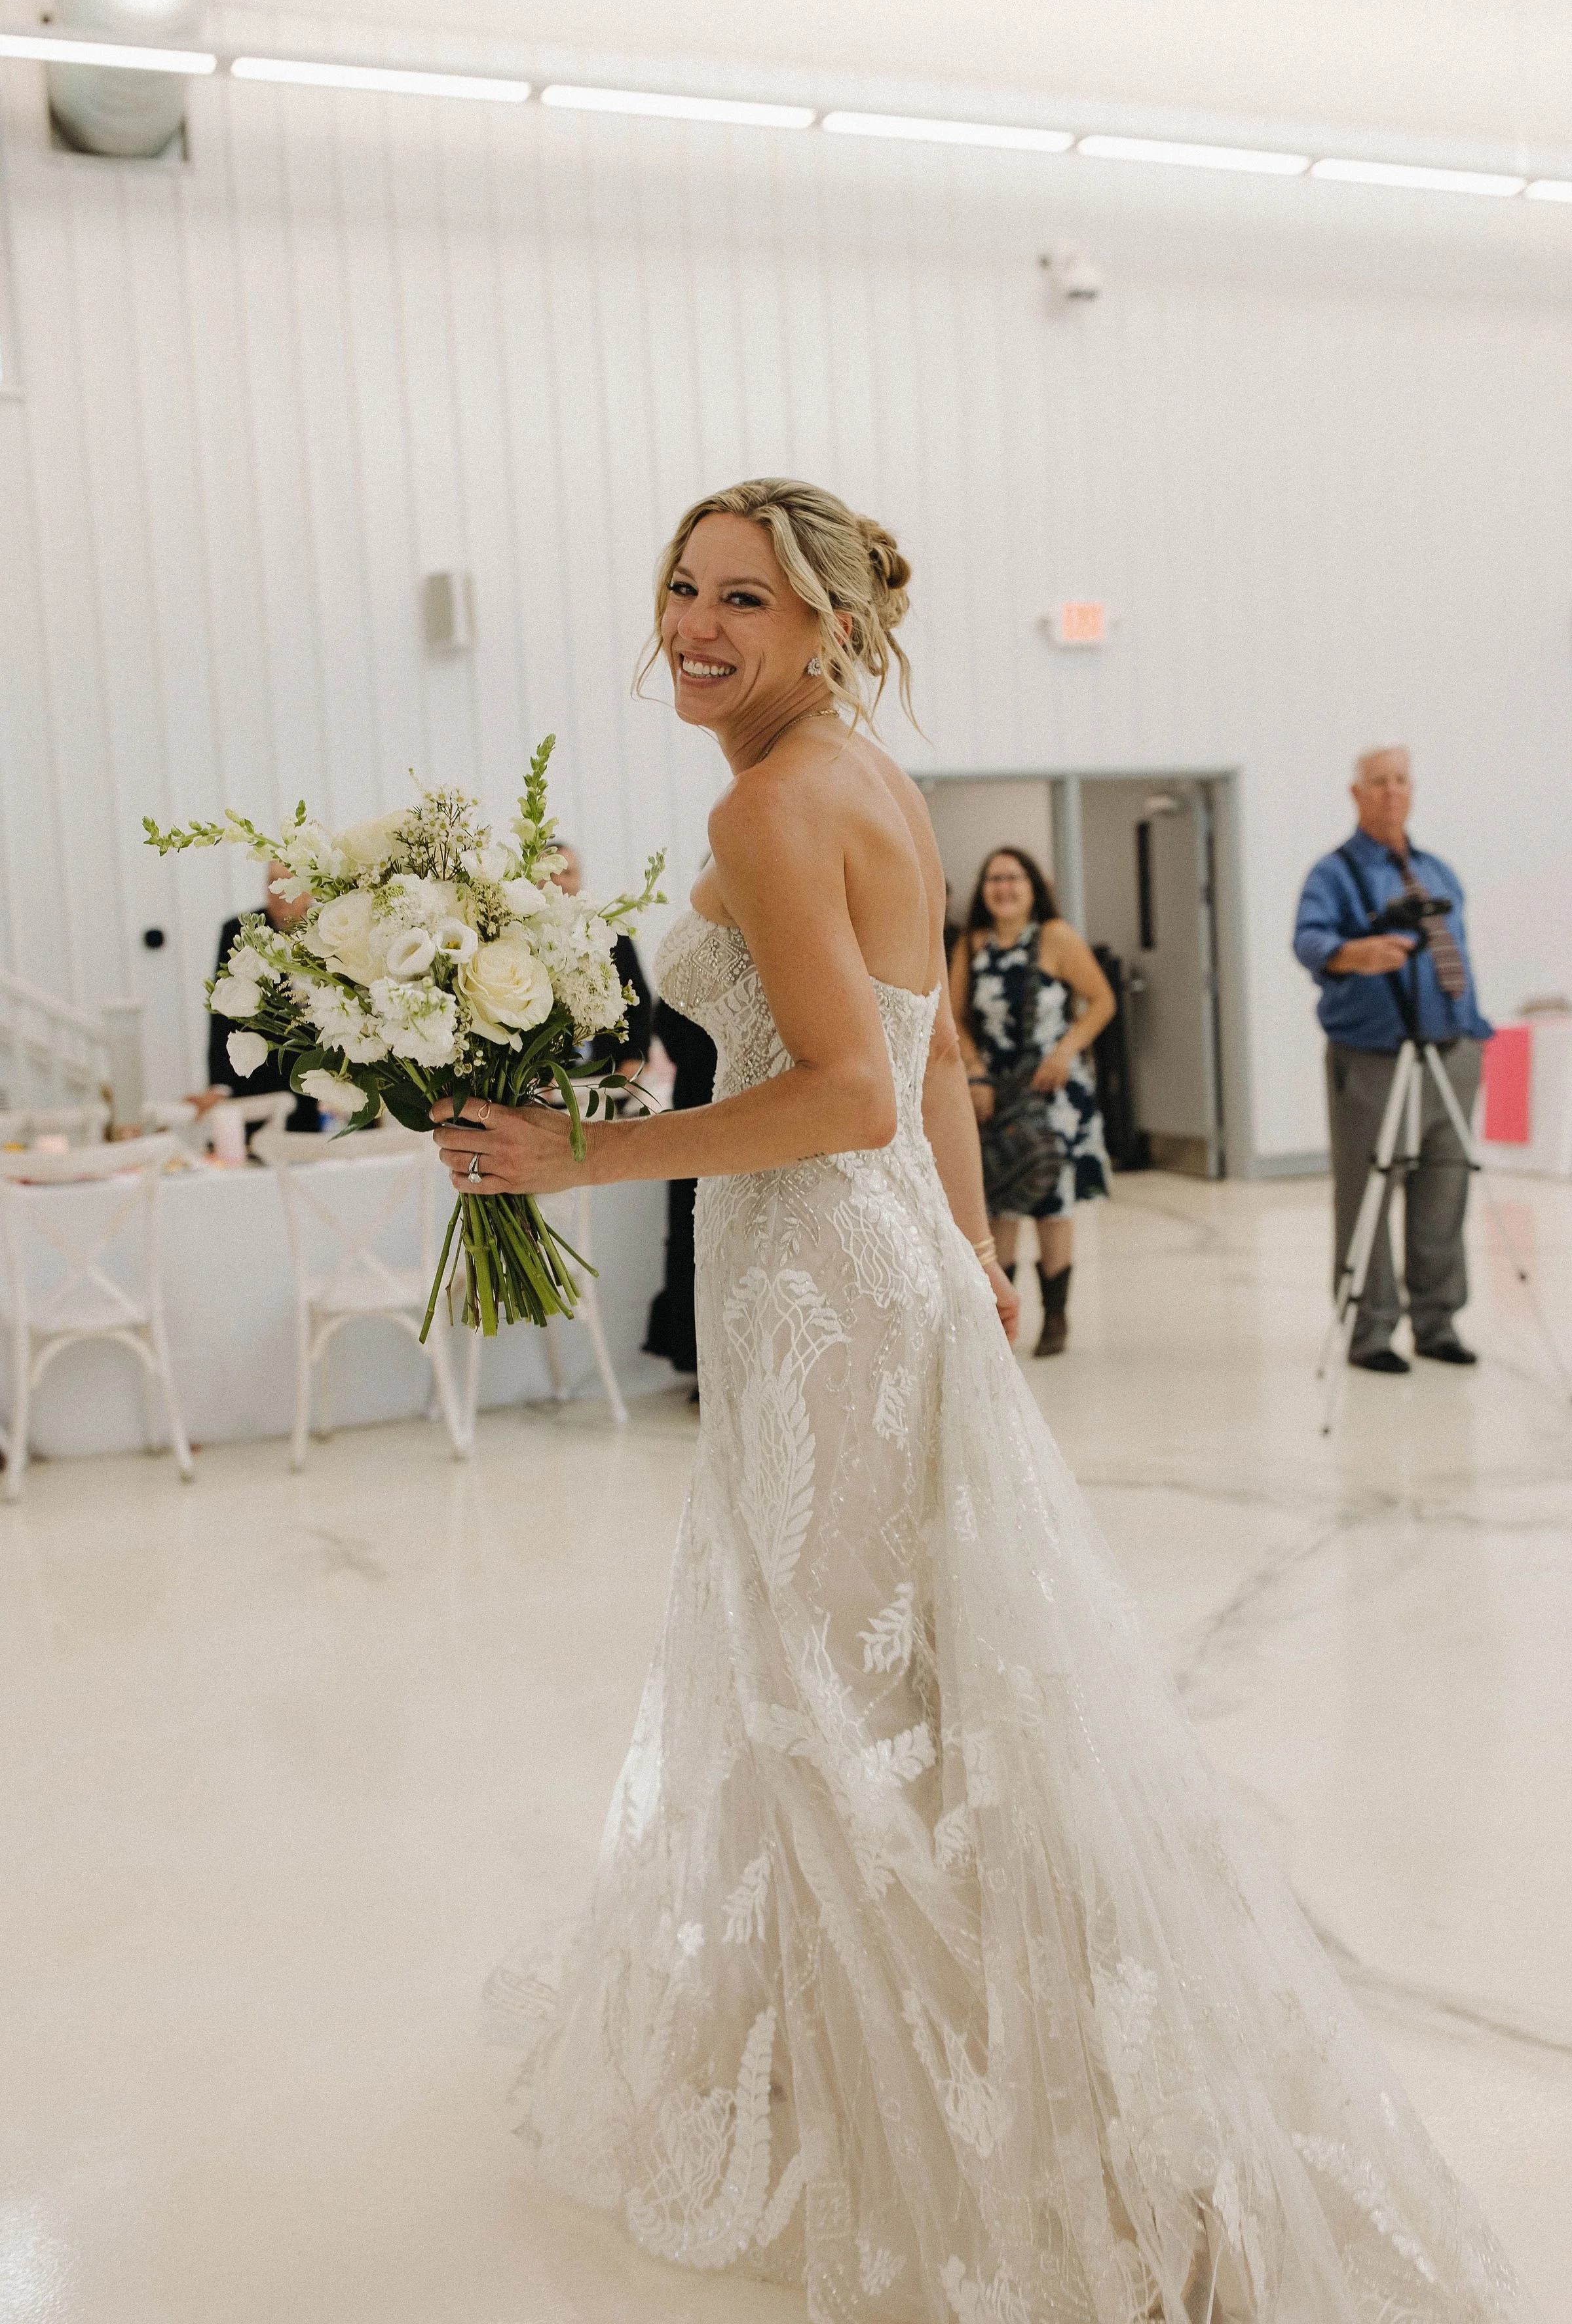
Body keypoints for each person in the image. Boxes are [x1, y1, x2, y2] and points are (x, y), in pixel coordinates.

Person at [438, 484, 1527, 2319]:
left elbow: (851, 1087)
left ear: (831, 626)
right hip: (884, 1277)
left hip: (810, 1268)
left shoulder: (769, 802)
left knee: (837, 1695)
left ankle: (958, 2092)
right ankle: (920, 2030)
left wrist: (577, 1158)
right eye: (682, 589)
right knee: (911, 1685)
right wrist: (971, 1250)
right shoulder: (869, 776)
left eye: (746, 600)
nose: (697, 625)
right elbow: (927, 1052)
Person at [1294, 747, 1491, 1374]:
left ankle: (1438, 1321)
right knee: (1368, 1192)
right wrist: (1355, 954)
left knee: (1445, 1187)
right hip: (1373, 1058)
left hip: (1451, 1052)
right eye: (1378, 782)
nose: (1390, 792)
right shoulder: (1335, 873)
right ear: (1356, 794)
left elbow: (1458, 951)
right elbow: (1309, 941)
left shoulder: (1439, 870)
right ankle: (1370, 1330)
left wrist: (1476, 1030)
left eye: (1401, 781)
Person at [953, 845, 1114, 1356]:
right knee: (1000, 1197)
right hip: (996, 1091)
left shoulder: (1056, 937)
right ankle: (1002, 1314)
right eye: (994, 879)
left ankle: (1056, 1318)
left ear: (1033, 886)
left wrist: (1067, 1050)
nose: (1004, 888)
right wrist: (975, 1072)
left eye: (1013, 878)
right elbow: (953, 1018)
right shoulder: (971, 945)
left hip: (1053, 1090)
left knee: (1052, 1202)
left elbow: (1102, 1000)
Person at [188, 859, 321, 1133]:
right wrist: (220, 1085)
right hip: (260, 1077)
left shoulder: (329, 930)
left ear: (310, 890)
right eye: (271, 883)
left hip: (321, 1077)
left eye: (287, 884)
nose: (277, 892)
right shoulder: (239, 932)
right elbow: (223, 1013)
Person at [641, 989, 717, 1386]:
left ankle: (703, 1359)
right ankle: (699, 1357)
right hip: (696, 1103)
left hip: (706, 1101)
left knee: (697, 1236)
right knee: (692, 1237)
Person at [553, 841, 653, 1091]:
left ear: (579, 879)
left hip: (609, 1077)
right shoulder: (523, 941)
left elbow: (639, 1000)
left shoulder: (612, 933)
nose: (558, 882)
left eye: (567, 873)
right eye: (549, 874)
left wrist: (635, 1060)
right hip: (547, 1086)